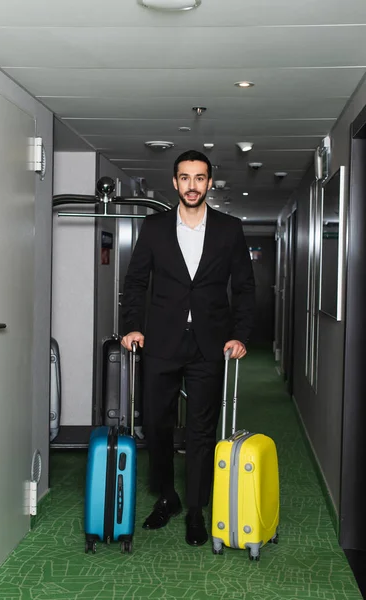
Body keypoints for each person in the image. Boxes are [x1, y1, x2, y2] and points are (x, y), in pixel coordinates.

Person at [121, 149, 255, 547]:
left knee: (201, 429)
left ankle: (196, 509)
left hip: (210, 344)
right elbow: (135, 282)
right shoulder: (155, 227)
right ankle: (167, 496)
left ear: (209, 183)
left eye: (200, 178)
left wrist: (241, 335)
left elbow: (245, 288)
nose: (192, 185)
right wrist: (131, 327)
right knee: (156, 424)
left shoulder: (230, 229)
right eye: (185, 178)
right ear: (175, 182)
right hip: (161, 341)